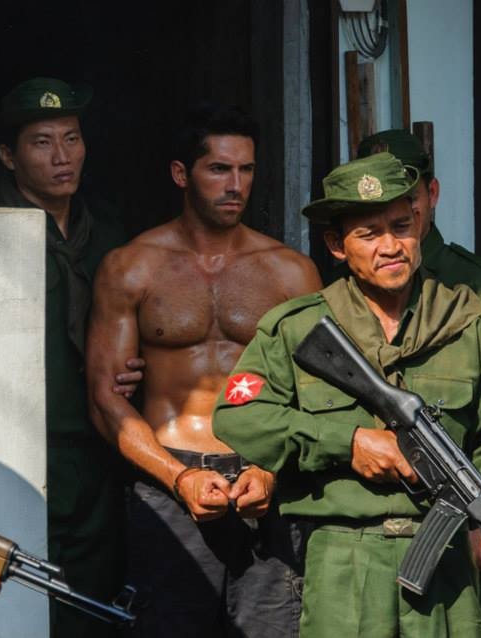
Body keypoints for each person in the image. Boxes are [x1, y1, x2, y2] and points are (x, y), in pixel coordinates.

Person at [213, 152, 481, 638]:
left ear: (420, 224)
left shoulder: (471, 325)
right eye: (369, 233)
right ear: (337, 246)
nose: (391, 245)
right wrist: (349, 442)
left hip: (447, 567)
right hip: (345, 564)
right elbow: (239, 417)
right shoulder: (298, 329)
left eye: (401, 225)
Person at [86, 104, 323, 637]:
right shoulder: (132, 266)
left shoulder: (290, 271)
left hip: (263, 477)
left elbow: (317, 394)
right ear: (181, 174)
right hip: (168, 480)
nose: (235, 185)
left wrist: (272, 469)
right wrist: (180, 477)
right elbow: (106, 400)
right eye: (219, 169)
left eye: (246, 170)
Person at [357, 129, 481, 637]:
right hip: (362, 542)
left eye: (408, 202)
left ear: (430, 195)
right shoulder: (341, 294)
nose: (394, 232)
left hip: (457, 526)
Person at [0, 77, 139, 638]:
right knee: (20, 600)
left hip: (97, 446)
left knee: (92, 605)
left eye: (72, 139)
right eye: (42, 142)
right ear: (9, 155)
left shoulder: (110, 232)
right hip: (22, 445)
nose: (62, 157)